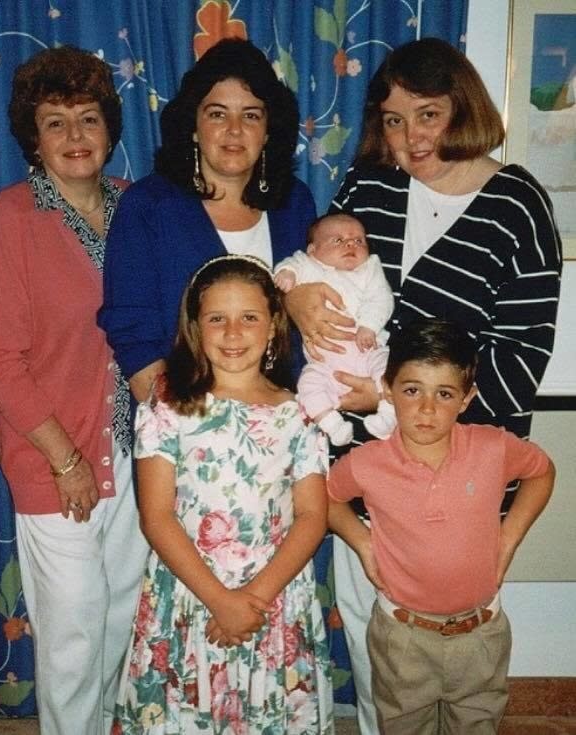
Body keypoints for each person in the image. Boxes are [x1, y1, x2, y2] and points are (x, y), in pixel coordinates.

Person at [284, 37, 563, 733]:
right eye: (394, 118)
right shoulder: (369, 188)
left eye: (428, 114)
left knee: (461, 668)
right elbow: (312, 270)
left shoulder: (517, 204)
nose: (409, 138)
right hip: (363, 460)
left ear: (463, 106)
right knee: (383, 653)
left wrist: (386, 399)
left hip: (455, 472)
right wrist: (292, 301)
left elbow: (523, 355)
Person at [0, 46, 149, 735]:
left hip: (137, 452)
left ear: (111, 127)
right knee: (72, 632)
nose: (75, 137)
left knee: (124, 617)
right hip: (53, 458)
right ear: (32, 138)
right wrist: (65, 459)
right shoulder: (11, 219)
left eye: (89, 118)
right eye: (56, 122)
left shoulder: (137, 207)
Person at [113, 255, 334, 734]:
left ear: (274, 325)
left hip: (271, 597)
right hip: (192, 595)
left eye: (249, 318)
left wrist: (251, 599)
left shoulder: (299, 414)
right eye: (217, 319)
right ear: (195, 326)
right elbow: (156, 517)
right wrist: (220, 600)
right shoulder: (166, 407)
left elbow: (313, 516)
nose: (233, 333)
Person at [327, 318, 555, 734]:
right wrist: (361, 541)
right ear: (389, 388)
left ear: (466, 399)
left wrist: (507, 541)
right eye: (412, 390)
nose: (427, 409)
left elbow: (541, 472)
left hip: (481, 634)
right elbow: (327, 498)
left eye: (444, 393)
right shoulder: (366, 463)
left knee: (477, 725)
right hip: (402, 636)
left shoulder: (492, 447)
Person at [98, 38, 317, 407]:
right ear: (194, 126)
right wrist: (190, 432)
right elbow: (135, 337)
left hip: (282, 426)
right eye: (217, 113)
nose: (234, 129)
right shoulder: (148, 207)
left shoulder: (293, 204)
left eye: (250, 115)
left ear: (268, 131)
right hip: (185, 431)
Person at [274, 213, 395, 445]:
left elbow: (382, 298)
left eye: (359, 240)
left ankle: (388, 415)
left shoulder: (369, 269)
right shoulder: (308, 265)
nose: (351, 244)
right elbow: (289, 265)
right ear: (312, 250)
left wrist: (369, 326)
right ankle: (333, 425)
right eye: (337, 240)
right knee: (308, 383)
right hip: (325, 363)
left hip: (366, 349)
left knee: (389, 370)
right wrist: (286, 274)